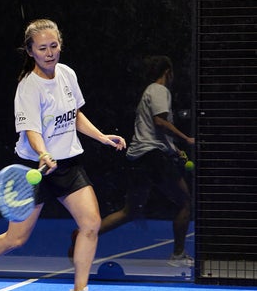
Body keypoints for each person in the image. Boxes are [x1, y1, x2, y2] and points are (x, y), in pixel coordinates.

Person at [0, 18, 126, 291]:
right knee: (15, 239)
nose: (49, 53)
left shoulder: (68, 74)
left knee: (91, 223)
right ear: (30, 51)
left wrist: (101, 137)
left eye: (54, 46)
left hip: (68, 166)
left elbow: (74, 115)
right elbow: (31, 130)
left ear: (60, 45)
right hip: (36, 169)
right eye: (42, 48)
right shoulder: (28, 87)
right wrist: (44, 154)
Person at [69, 55, 195, 266]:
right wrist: (186, 139)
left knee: (130, 211)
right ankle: (178, 256)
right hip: (153, 157)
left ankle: (82, 233)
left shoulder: (148, 92)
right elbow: (159, 122)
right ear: (167, 72)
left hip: (139, 158)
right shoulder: (159, 90)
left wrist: (174, 150)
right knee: (185, 201)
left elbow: (153, 130)